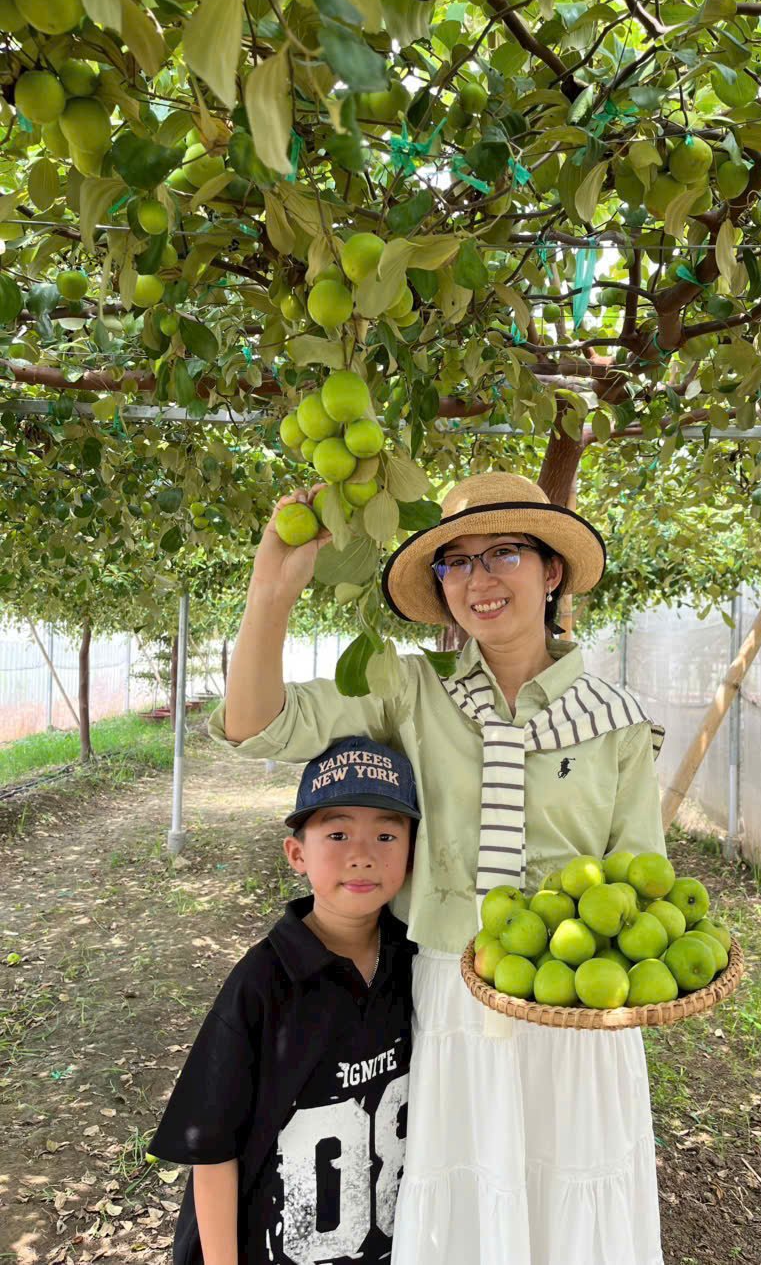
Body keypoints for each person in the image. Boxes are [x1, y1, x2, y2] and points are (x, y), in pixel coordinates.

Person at [210, 471, 667, 1265]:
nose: (480, 580)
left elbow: (642, 883)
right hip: (455, 995)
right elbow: (257, 724)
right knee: (469, 1202)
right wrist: (271, 590)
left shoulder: (614, 720)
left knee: (576, 1201)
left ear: (551, 570)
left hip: (581, 1010)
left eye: (504, 554)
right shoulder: (411, 691)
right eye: (456, 563)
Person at [150, 736, 420, 1265]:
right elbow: (211, 1150)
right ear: (297, 853)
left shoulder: (415, 963)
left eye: (387, 835)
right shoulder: (263, 981)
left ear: (411, 856)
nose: (362, 855)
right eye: (338, 833)